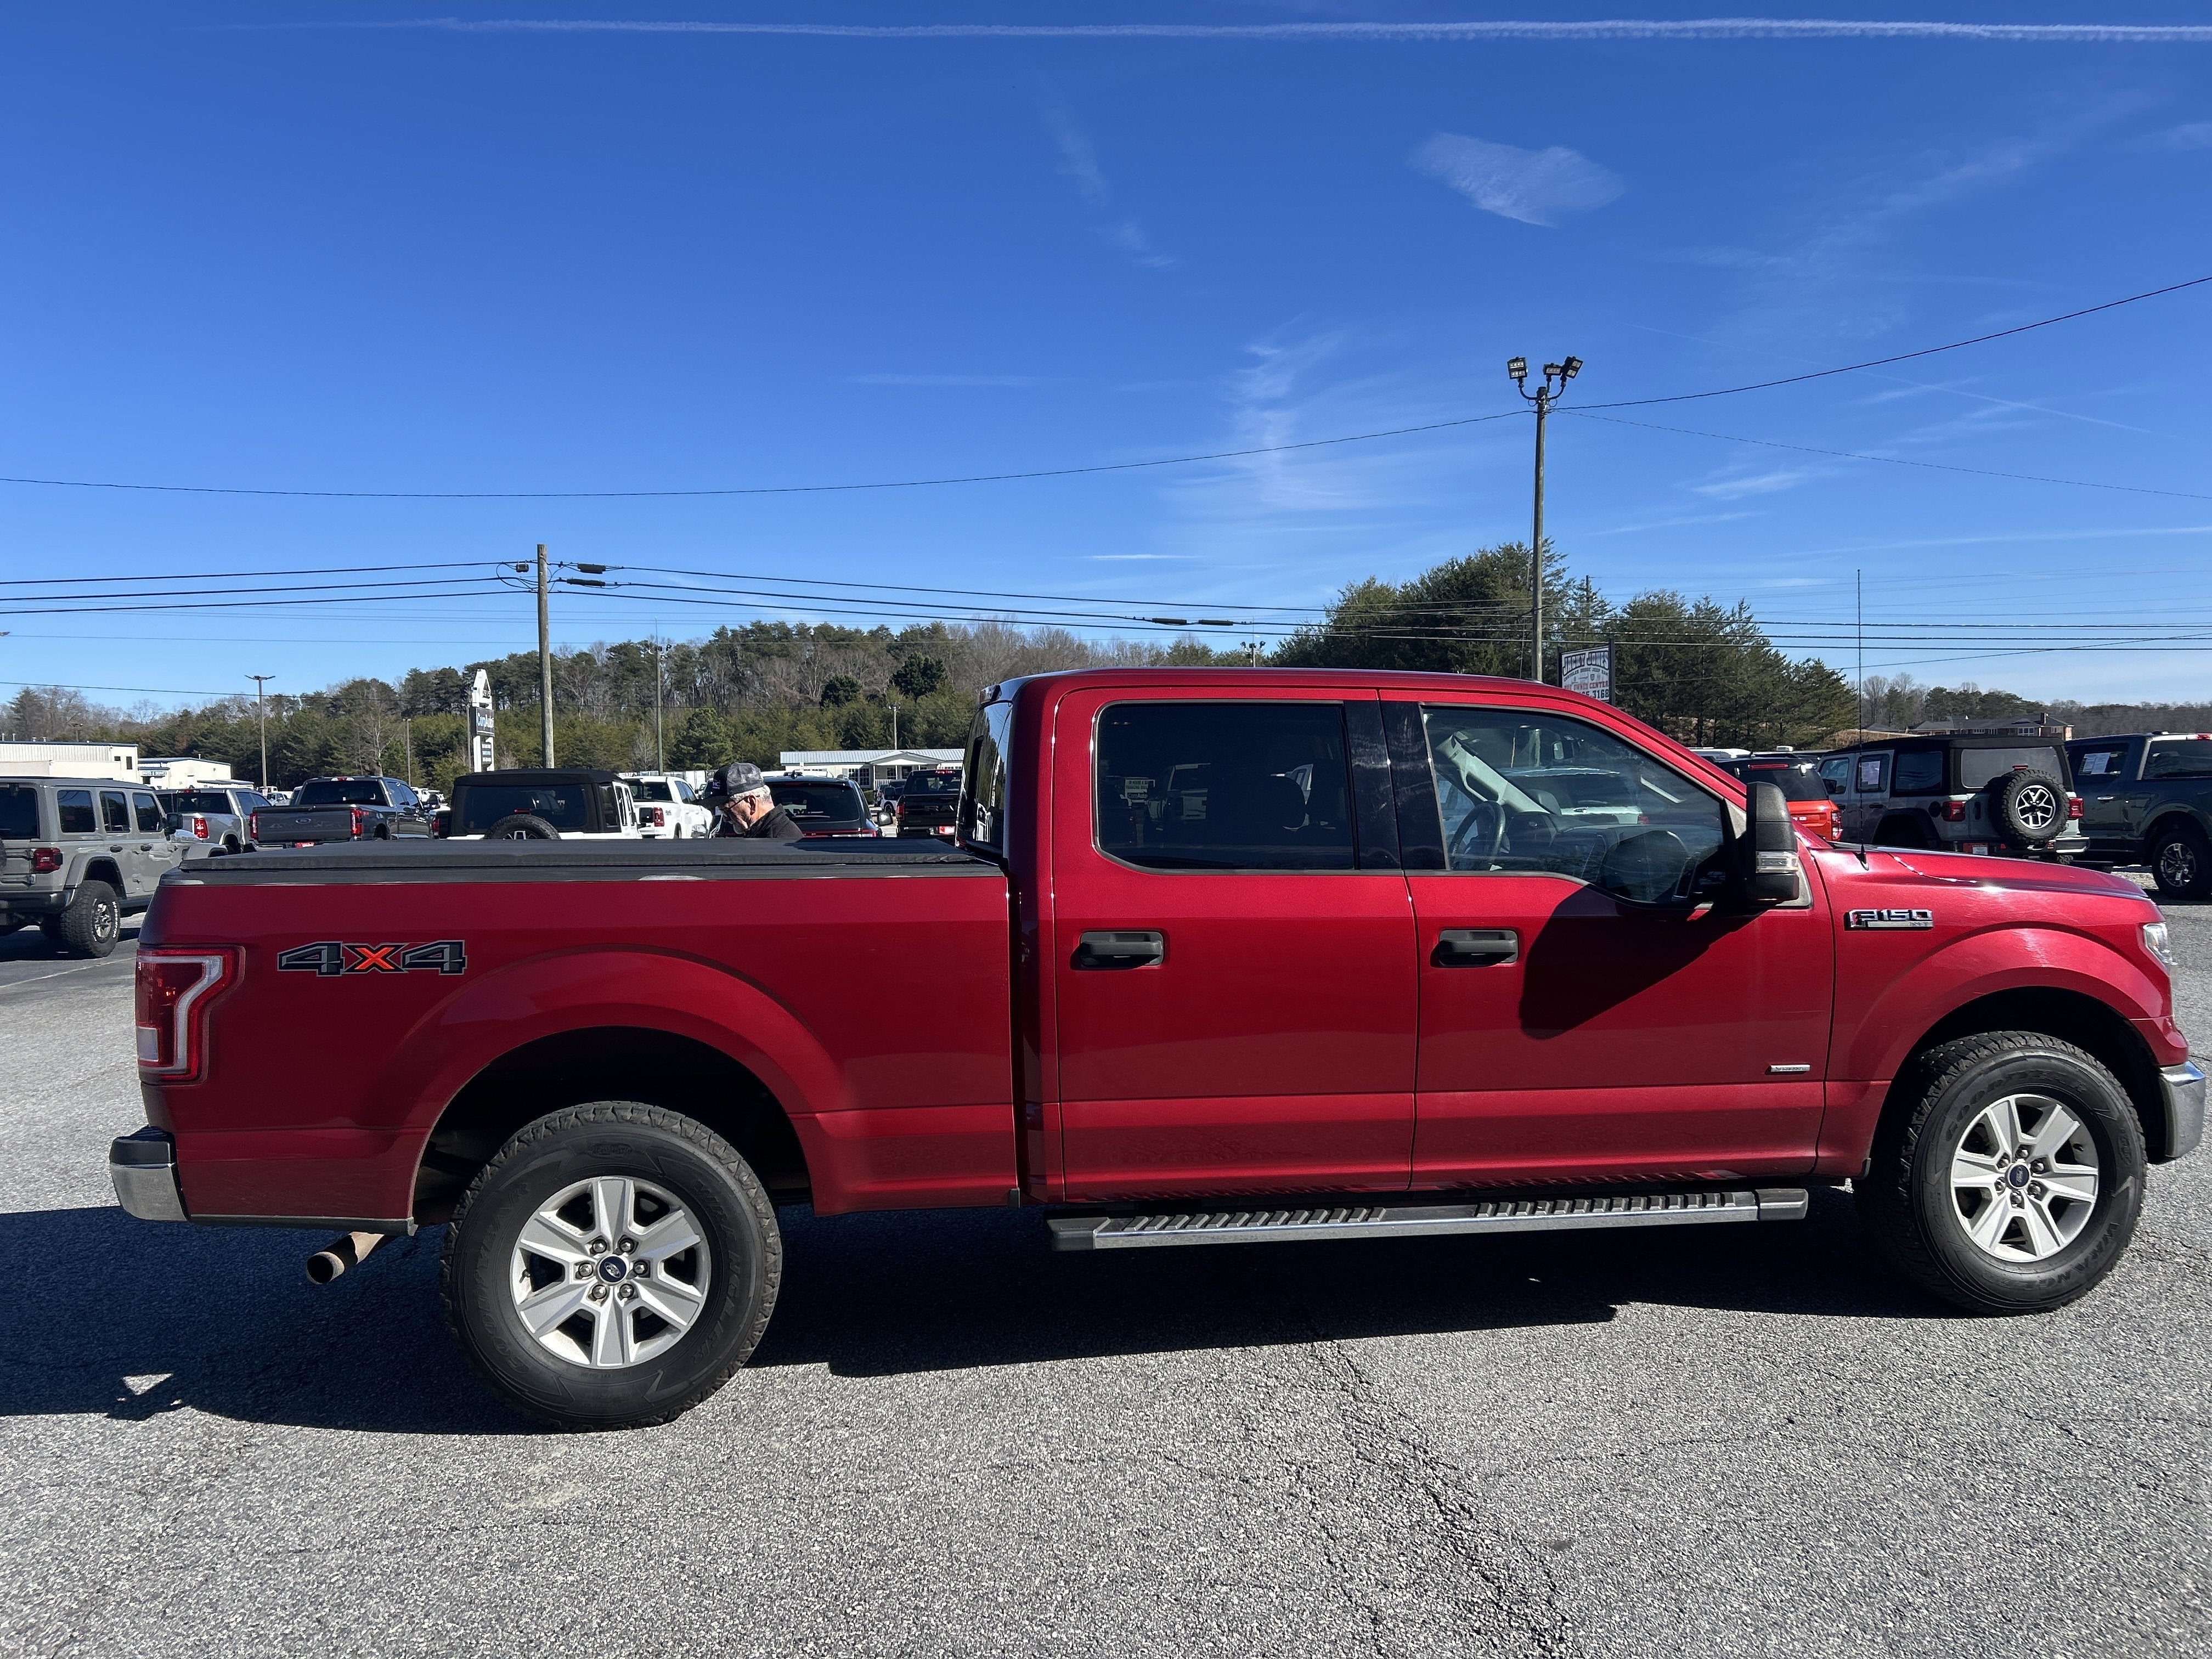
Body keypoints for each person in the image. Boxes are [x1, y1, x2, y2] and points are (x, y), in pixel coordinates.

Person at [704, 761, 804, 840]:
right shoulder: (763, 834)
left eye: (727, 811)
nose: (726, 819)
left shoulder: (778, 842)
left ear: (752, 803)